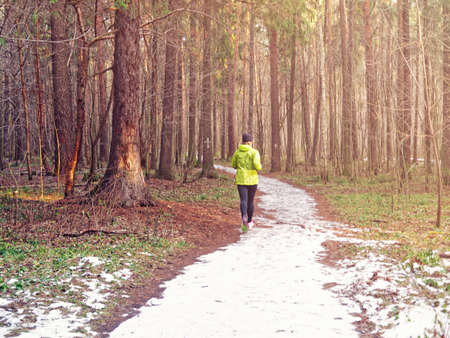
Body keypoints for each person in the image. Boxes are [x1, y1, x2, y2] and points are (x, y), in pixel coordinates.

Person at [231, 133, 262, 232]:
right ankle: (249, 221)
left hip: (241, 179)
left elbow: (234, 165)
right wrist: (259, 167)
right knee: (250, 201)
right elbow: (257, 166)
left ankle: (243, 217)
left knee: (243, 200)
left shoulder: (237, 152)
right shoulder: (254, 152)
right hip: (252, 179)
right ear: (249, 142)